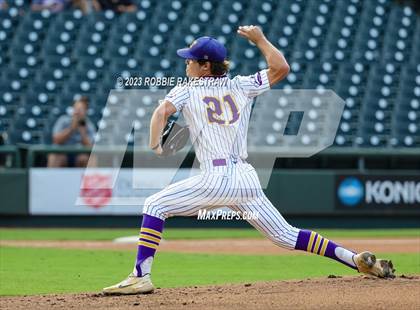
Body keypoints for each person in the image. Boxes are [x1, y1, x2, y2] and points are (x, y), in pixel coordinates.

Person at [103, 25, 395, 295]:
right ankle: (354, 258)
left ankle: (141, 276)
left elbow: (160, 113)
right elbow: (281, 67)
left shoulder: (187, 89)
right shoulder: (242, 85)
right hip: (245, 178)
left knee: (154, 205)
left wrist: (155, 145)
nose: (186, 63)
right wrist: (260, 40)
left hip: (216, 179)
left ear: (205, 66)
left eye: (191, 60)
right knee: (284, 235)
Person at [48, 96, 96, 168]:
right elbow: (56, 140)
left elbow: (91, 148)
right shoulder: (63, 120)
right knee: (54, 157)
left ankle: (89, 179)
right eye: (76, 109)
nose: (78, 111)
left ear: (86, 111)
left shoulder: (89, 125)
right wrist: (71, 129)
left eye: (80, 109)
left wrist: (83, 133)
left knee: (90, 159)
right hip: (63, 153)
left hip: (79, 155)